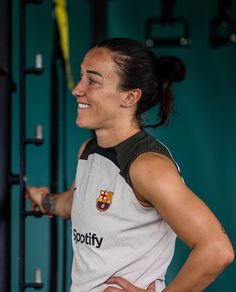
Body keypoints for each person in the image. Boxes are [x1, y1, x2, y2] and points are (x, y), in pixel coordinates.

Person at [27, 38, 234, 292]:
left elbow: (216, 249)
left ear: (130, 96)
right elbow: (81, 203)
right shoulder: (89, 151)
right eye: (81, 76)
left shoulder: (148, 166)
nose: (77, 89)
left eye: (92, 80)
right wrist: (46, 200)